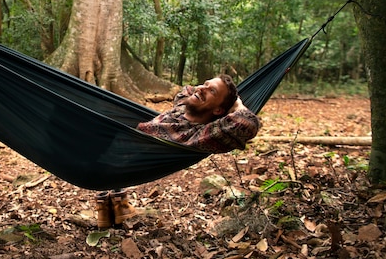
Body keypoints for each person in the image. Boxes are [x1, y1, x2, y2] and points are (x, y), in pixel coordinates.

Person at [95, 74, 261, 228]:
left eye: (212, 91)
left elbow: (247, 123)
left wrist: (236, 103)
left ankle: (111, 203)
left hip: (117, 154)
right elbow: (186, 90)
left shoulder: (201, 134)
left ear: (218, 111)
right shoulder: (183, 106)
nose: (201, 88)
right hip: (112, 148)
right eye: (205, 84)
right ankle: (115, 204)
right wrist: (205, 90)